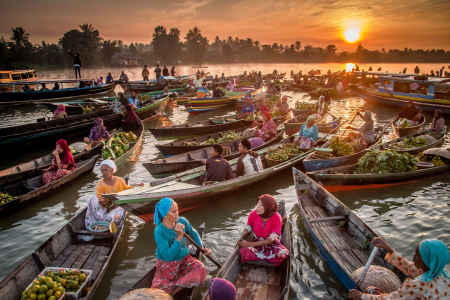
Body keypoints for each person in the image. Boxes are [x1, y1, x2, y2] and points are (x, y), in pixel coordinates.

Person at [349, 237, 450, 300]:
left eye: (418, 255)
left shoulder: (416, 285)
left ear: (427, 262)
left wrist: (361, 296)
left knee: (371, 290)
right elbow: (410, 269)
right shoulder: (444, 272)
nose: (413, 256)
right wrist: (388, 248)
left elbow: (391, 299)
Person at [151, 198, 209, 295]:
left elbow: (193, 233)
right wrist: (179, 237)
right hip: (167, 264)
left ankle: (173, 292)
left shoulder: (182, 221)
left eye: (177, 210)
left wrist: (201, 248)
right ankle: (178, 285)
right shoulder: (159, 231)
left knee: (200, 268)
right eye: (173, 212)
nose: (177, 214)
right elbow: (167, 256)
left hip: (184, 259)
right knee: (156, 293)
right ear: (165, 214)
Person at [85, 160, 144, 228]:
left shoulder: (119, 180)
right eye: (102, 170)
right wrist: (104, 201)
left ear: (112, 170)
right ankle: (100, 221)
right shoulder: (100, 185)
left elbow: (127, 189)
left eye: (106, 170)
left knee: (124, 207)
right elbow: (102, 203)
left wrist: (137, 186)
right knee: (92, 198)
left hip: (116, 209)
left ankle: (109, 223)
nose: (103, 173)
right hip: (104, 211)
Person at [237, 195, 289, 266]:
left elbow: (271, 240)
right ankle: (266, 258)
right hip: (257, 241)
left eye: (262, 205)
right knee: (243, 251)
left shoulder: (276, 217)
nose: (258, 207)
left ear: (268, 207)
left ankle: (258, 257)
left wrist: (250, 244)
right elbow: (248, 228)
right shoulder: (253, 214)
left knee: (284, 253)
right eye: (258, 203)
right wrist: (241, 237)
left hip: (272, 244)